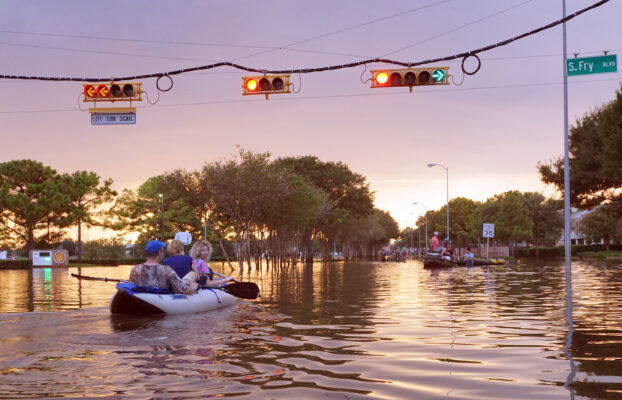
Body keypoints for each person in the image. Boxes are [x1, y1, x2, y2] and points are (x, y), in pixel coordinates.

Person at [129, 240, 198, 295]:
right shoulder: (166, 270)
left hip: (144, 296)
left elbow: (131, 287)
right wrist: (193, 288)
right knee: (192, 274)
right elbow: (184, 290)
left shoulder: (135, 269)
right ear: (159, 253)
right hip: (162, 298)